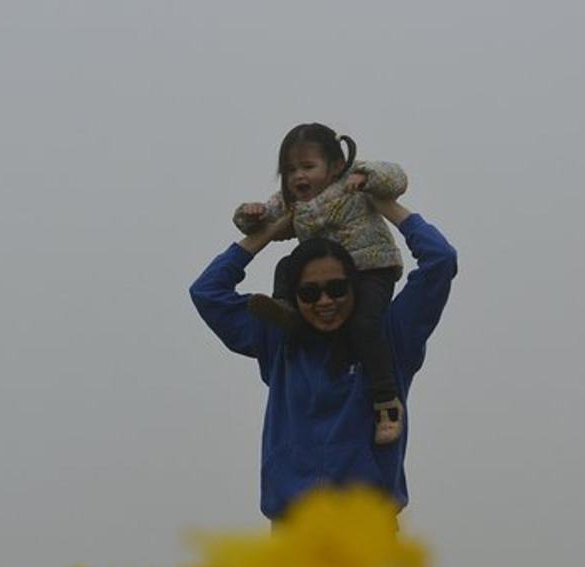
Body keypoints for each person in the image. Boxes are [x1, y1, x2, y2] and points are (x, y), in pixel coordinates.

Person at [190, 196, 457, 524]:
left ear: (356, 288)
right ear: (293, 297)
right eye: (310, 293)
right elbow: (206, 291)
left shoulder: (389, 337)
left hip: (367, 533)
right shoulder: (279, 340)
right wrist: (269, 232)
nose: (325, 301)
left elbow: (441, 260)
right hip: (293, 533)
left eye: (337, 288)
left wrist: (383, 204)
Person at [233, 122, 408, 444]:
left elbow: (397, 178)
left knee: (365, 325)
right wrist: (250, 214)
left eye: (308, 167)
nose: (299, 176)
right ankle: (286, 307)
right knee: (288, 265)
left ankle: (385, 401)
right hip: (326, 276)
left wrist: (366, 177)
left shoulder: (351, 180)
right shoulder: (290, 202)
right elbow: (256, 220)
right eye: (290, 170)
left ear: (336, 165)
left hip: (370, 268)